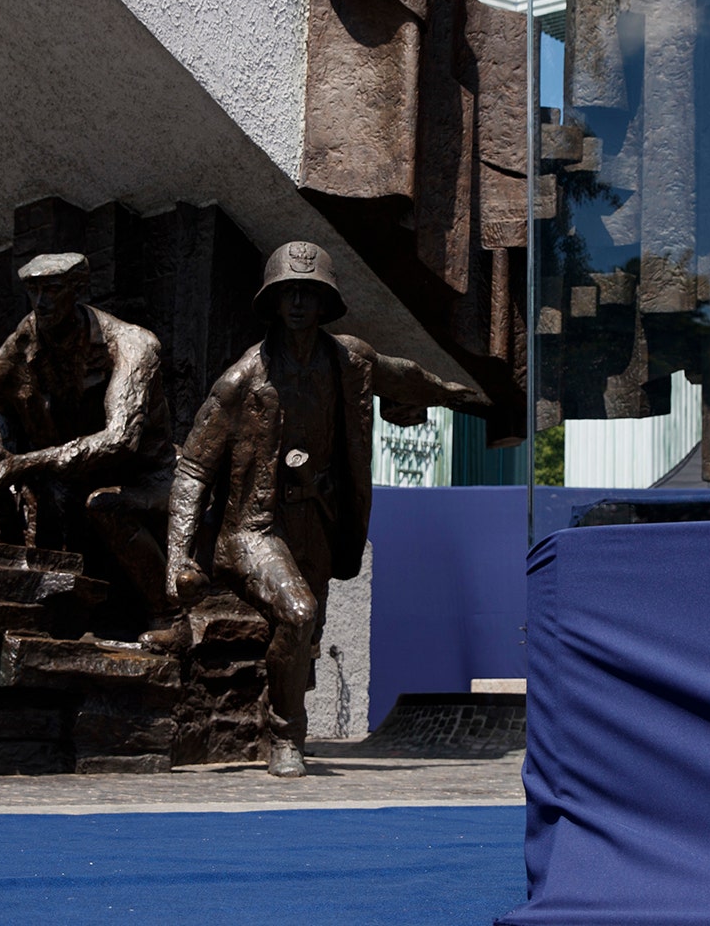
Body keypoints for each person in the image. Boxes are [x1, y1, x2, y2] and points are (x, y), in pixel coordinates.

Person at [166, 241, 484, 777]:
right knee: (298, 612)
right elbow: (194, 467)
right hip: (255, 528)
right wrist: (178, 555)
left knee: (306, 640)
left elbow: (401, 374)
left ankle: (282, 711)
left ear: (324, 304)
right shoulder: (241, 381)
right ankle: (285, 736)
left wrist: (449, 394)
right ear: (271, 302)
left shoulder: (348, 360)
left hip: (317, 520)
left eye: (308, 294)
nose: (297, 303)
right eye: (287, 292)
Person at [0, 252, 174, 617]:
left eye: (53, 290)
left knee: (103, 505)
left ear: (78, 289)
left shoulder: (132, 344)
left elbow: (121, 439)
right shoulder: (15, 353)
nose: (42, 302)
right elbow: (5, 432)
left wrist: (25, 464)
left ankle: (169, 612)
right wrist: (8, 487)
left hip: (145, 476)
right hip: (68, 480)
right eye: (34, 290)